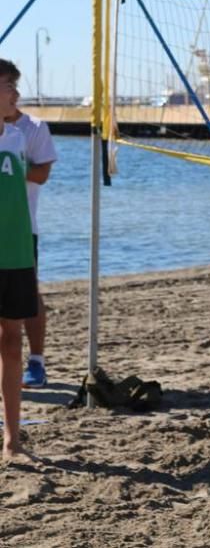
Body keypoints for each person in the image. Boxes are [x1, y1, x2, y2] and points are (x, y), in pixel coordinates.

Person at [3, 80, 57, 388]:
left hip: (22, 230)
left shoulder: (29, 130)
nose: (14, 95)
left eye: (13, 87)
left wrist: (9, 169)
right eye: (6, 87)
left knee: (28, 296)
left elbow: (41, 174)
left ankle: (36, 362)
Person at [0, 59, 38, 461]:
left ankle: (13, 440)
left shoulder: (17, 138)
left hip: (16, 254)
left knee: (12, 343)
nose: (16, 94)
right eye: (9, 86)